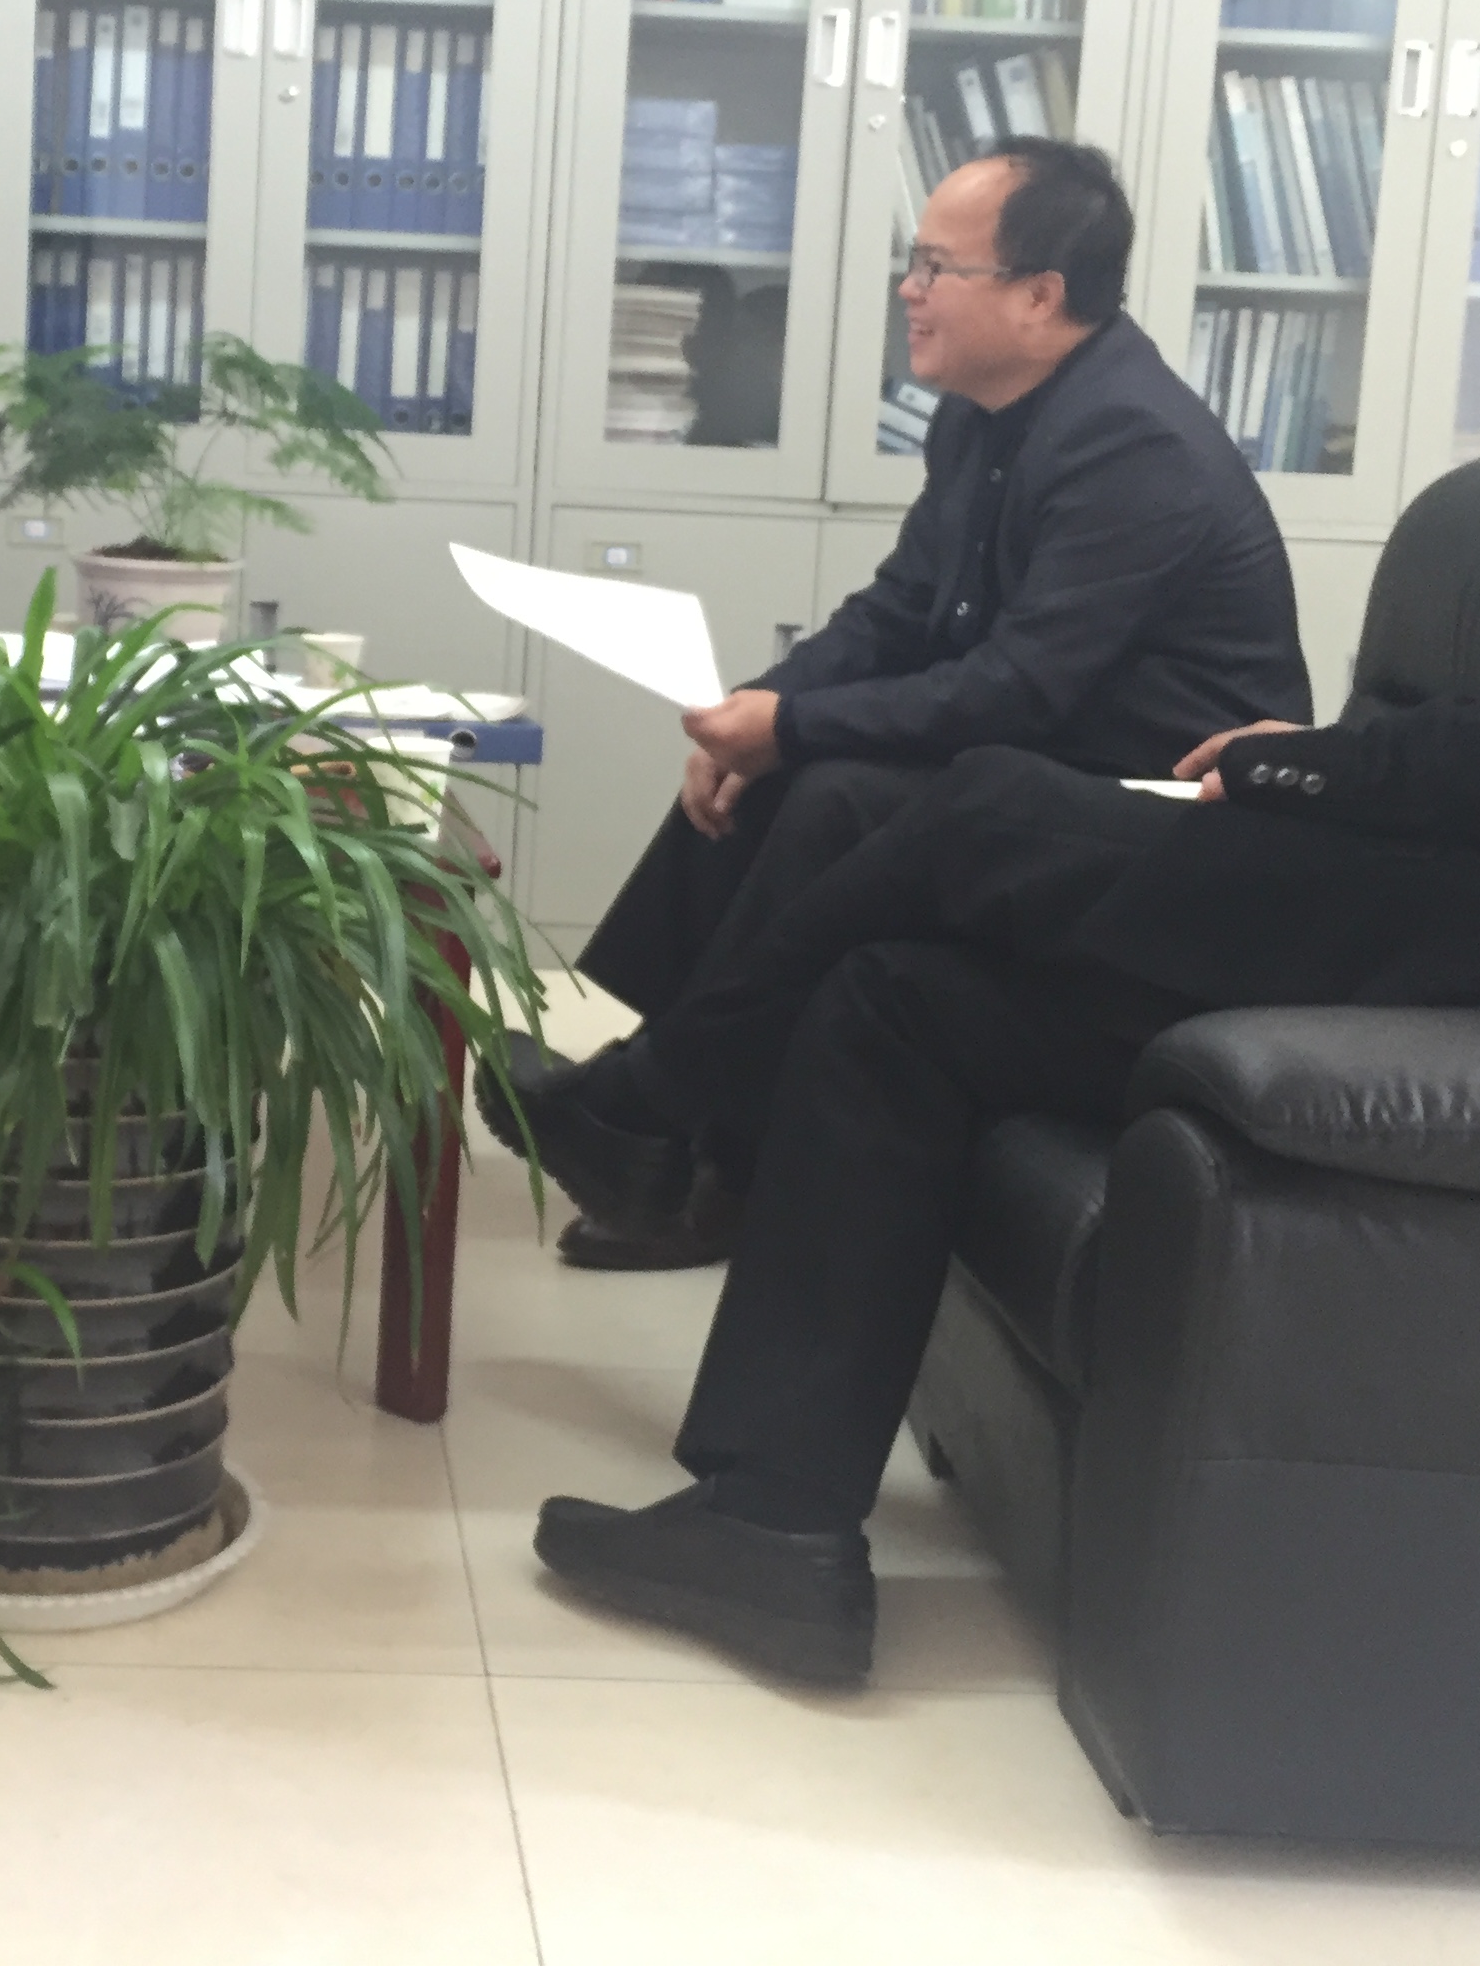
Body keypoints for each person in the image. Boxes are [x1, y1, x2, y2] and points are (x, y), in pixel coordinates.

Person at [530, 61, 1480, 1688]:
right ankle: (769, 1525)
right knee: (895, 998)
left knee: (976, 810)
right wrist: (1322, 763)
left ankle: (651, 1106)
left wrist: (1295, 764)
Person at [495, 139, 1308, 1268]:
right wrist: (767, 703)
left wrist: (793, 730)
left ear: (1039, 296)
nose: (907, 290)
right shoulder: (979, 417)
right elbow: (900, 612)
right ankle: (674, 1137)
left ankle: (665, 1120)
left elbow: (1022, 685)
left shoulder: (1135, 443)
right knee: (781, 768)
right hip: (1038, 767)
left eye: (935, 266)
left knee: (834, 792)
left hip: (1147, 818)